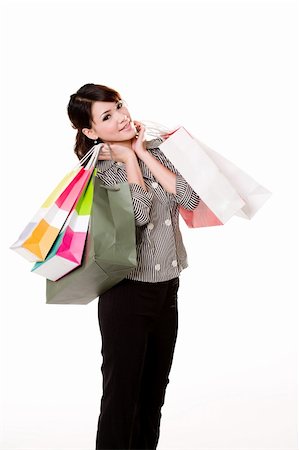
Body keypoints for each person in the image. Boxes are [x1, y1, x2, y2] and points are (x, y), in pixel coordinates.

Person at [67, 83, 201, 450]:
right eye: (107, 116)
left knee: (153, 396)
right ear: (91, 131)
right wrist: (128, 161)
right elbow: (137, 217)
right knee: (121, 398)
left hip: (167, 290)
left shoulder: (157, 151)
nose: (121, 117)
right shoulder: (101, 172)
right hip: (127, 294)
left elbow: (190, 199)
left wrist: (142, 153)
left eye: (119, 106)